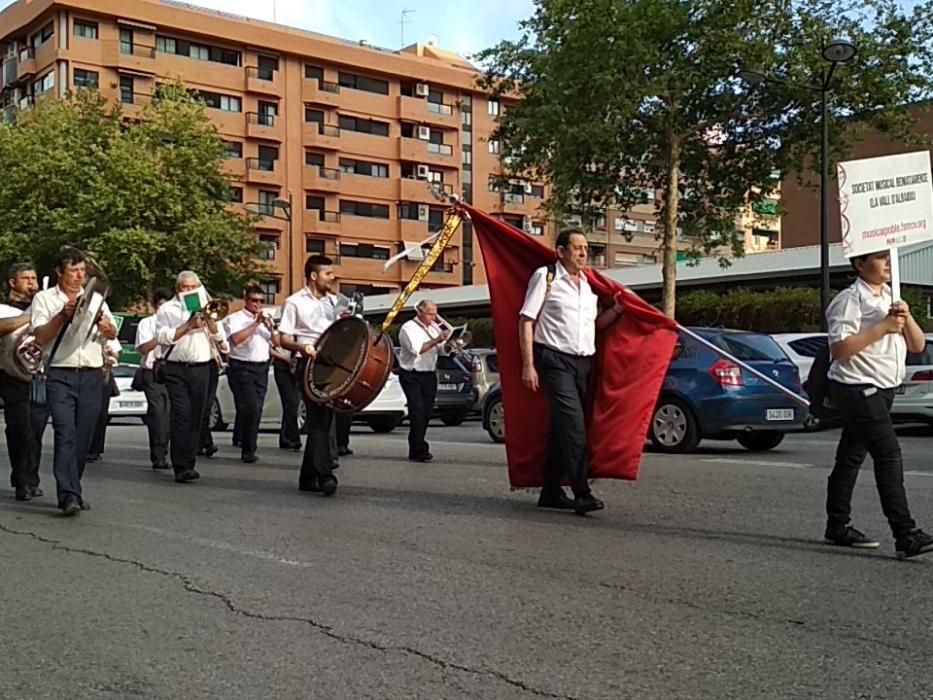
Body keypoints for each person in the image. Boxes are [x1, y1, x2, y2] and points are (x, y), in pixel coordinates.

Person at [823, 250, 933, 559]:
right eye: (880, 257)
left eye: (890, 258)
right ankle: (906, 533)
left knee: (851, 455)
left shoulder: (890, 296)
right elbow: (840, 348)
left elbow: (916, 345)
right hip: (857, 387)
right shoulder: (849, 300)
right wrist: (882, 327)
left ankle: (837, 524)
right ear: (859, 264)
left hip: (884, 388)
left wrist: (906, 316)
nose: (888, 264)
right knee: (888, 454)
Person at [518, 229, 625, 515]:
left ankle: (551, 490)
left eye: (586, 248)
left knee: (562, 427)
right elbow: (526, 320)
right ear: (561, 251)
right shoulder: (546, 277)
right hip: (554, 359)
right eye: (576, 248)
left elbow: (595, 326)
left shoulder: (589, 287)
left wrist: (616, 310)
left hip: (583, 363)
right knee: (574, 426)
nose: (583, 253)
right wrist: (528, 365)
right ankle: (582, 492)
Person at [31, 247, 118, 515]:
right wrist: (62, 316)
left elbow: (113, 331)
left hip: (91, 374)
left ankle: (74, 487)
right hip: (60, 373)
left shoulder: (94, 299)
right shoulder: (44, 299)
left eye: (82, 271)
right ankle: (67, 494)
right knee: (65, 432)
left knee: (83, 436)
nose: (79, 277)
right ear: (59, 272)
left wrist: (106, 328)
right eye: (73, 271)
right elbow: (39, 337)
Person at [277, 255, 339, 496]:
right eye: (328, 274)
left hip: (332, 364)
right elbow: (284, 338)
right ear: (314, 276)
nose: (332, 278)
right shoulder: (294, 302)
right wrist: (302, 348)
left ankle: (307, 477)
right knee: (319, 416)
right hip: (308, 363)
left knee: (322, 420)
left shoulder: (333, 302)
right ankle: (325, 475)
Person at [155, 271, 224, 483]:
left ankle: (190, 460)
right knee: (181, 415)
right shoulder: (168, 309)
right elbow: (162, 337)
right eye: (185, 287)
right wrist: (187, 326)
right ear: (178, 289)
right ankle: (180, 466)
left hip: (201, 368)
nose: (189, 291)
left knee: (197, 415)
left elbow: (219, 336)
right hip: (176, 368)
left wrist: (209, 322)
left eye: (193, 287)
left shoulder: (207, 305)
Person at [0, 262, 49, 502]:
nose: (32, 283)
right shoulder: (4, 308)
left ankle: (31, 478)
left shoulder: (44, 305)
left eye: (34, 279)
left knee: (36, 429)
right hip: (10, 373)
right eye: (26, 279)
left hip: (38, 374)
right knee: (20, 428)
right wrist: (30, 316)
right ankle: (22, 480)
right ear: (13, 283)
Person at [224, 285, 274, 463]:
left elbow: (275, 342)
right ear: (246, 300)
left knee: (257, 408)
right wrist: (256, 323)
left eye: (261, 301)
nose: (258, 304)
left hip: (262, 367)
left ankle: (247, 444)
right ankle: (248, 448)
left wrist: (271, 327)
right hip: (241, 367)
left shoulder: (266, 319)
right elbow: (236, 340)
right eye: (254, 300)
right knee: (250, 406)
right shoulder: (235, 319)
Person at [398, 300, 449, 463]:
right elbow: (417, 350)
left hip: (429, 374)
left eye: (435, 313)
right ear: (420, 312)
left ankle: (419, 445)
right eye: (430, 313)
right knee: (417, 411)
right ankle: (417, 448)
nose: (434, 317)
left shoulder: (434, 327)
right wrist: (437, 340)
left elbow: (441, 351)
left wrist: (451, 344)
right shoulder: (408, 328)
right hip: (412, 374)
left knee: (426, 412)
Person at [135, 289, 172, 470]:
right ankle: (158, 455)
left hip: (172, 371)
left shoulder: (175, 323)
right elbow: (142, 349)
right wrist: (160, 338)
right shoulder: (147, 323)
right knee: (158, 414)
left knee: (171, 414)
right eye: (161, 306)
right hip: (152, 371)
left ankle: (167, 450)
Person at [87, 338, 120, 462]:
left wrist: (110, 353)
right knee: (88, 412)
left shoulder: (109, 336)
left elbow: (117, 356)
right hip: (89, 371)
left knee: (101, 414)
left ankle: (96, 449)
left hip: (104, 373)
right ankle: (85, 446)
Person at [271, 337, 302, 451]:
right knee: (290, 402)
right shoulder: (279, 329)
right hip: (282, 366)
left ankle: (286, 436)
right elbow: (271, 348)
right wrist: (285, 358)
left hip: (296, 365)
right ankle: (293, 438)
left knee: (294, 403)